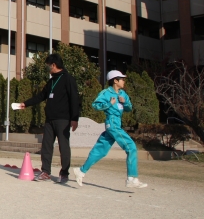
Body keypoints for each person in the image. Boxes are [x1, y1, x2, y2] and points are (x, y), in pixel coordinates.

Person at [73, 71, 148, 188]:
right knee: (131, 147)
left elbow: (129, 108)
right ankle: (131, 178)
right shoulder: (106, 93)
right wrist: (109, 103)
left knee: (100, 150)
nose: (124, 81)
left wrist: (125, 102)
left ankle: (81, 171)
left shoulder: (123, 94)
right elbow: (95, 105)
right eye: (122, 79)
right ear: (115, 80)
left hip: (117, 123)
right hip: (112, 123)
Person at [18, 53, 80, 183]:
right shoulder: (51, 81)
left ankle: (64, 173)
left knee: (63, 146)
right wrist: (26, 103)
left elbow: (74, 99)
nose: (47, 68)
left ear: (54, 65)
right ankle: (45, 171)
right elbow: (41, 96)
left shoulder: (68, 79)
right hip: (49, 120)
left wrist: (74, 118)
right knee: (46, 145)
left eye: (48, 66)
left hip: (63, 119)